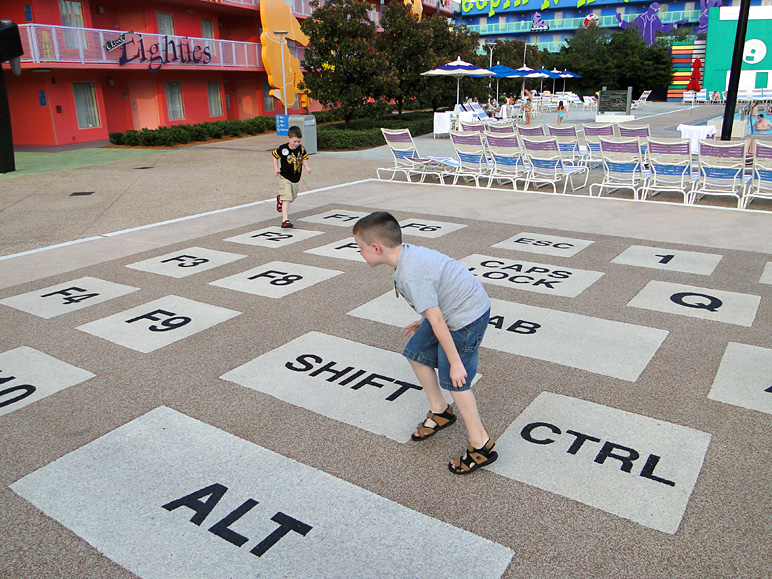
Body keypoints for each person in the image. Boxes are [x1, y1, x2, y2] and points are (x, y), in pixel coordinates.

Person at [352, 211, 497, 475]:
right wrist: (425, 319)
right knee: (415, 351)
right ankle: (440, 411)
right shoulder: (406, 257)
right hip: (450, 310)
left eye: (360, 248)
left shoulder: (411, 274)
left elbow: (438, 320)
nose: (359, 253)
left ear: (376, 247)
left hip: (467, 318)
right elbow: (436, 290)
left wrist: (454, 363)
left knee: (456, 381)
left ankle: (481, 443)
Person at [272, 125, 311, 229]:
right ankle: (285, 220)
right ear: (288, 138)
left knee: (292, 197)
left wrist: (307, 167)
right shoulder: (283, 148)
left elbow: (304, 158)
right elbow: (275, 156)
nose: (296, 144)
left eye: (298, 141)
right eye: (294, 141)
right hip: (285, 177)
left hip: (295, 178)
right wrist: (276, 169)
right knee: (287, 198)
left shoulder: (301, 149)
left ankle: (280, 199)